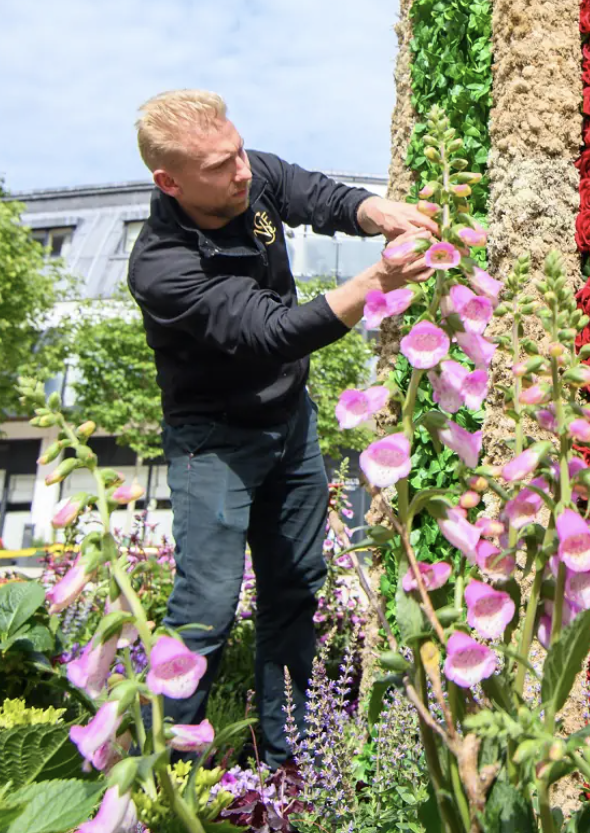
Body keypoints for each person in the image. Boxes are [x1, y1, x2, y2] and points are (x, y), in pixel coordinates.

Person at [126, 89, 434, 764]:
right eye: (218, 166)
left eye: (239, 152)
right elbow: (272, 334)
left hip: (289, 423)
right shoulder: (162, 268)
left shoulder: (246, 172)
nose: (241, 172)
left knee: (296, 587)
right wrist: (377, 278)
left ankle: (288, 763)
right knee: (205, 604)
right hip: (215, 440)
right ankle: (169, 773)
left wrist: (371, 208)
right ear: (169, 182)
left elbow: (310, 193)